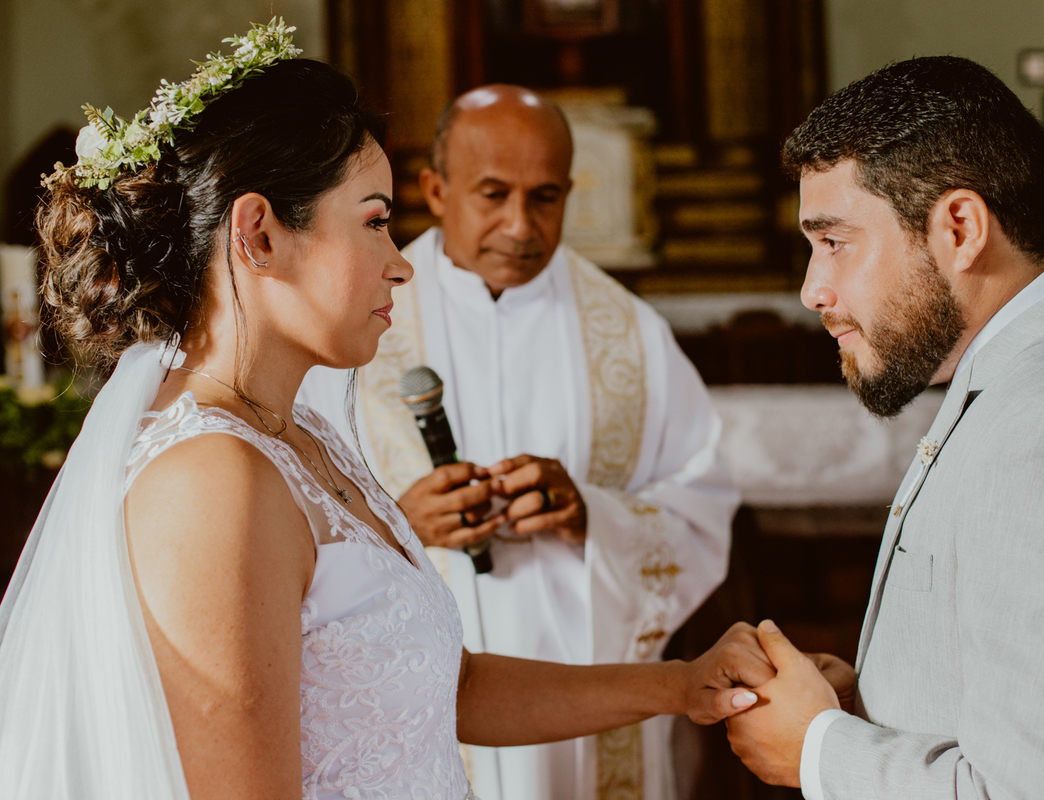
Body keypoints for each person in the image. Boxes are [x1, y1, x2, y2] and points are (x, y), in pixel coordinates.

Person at [0, 23, 772, 800]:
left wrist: (680, 685)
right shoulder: (211, 483)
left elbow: (450, 687)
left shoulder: (304, 436)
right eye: (374, 221)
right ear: (258, 234)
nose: (402, 263)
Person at [725, 56, 1044, 799]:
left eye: (835, 242)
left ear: (960, 227)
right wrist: (871, 700)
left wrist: (817, 752)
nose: (813, 290)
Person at [299, 85, 737, 800]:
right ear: (435, 190)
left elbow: (701, 509)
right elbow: (290, 516)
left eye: (545, 197)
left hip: (585, 703)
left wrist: (591, 515)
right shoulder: (351, 324)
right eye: (494, 194)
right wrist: (402, 525)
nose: (520, 224)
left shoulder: (631, 334)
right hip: (419, 696)